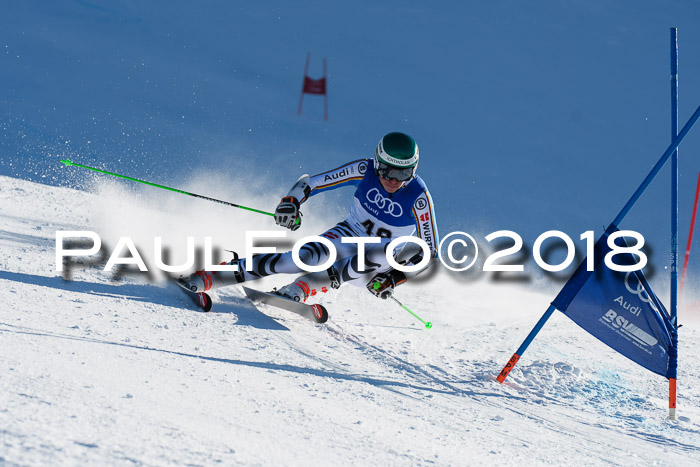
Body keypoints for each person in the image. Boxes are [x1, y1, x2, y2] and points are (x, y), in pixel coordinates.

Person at [183, 132, 439, 303]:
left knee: (370, 258)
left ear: (413, 171)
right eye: (386, 171)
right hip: (349, 234)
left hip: (378, 263)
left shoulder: (418, 197)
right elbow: (312, 183)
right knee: (302, 258)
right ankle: (212, 276)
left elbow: (430, 252)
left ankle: (301, 288)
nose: (392, 180)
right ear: (377, 162)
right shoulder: (365, 170)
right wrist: (291, 202)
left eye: (402, 174)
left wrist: (394, 277)